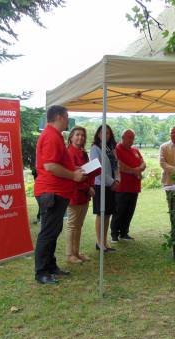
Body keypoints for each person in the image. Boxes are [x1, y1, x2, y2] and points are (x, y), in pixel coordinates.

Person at [34, 106, 86, 284]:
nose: (68, 120)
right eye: (67, 117)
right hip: (51, 191)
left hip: (57, 191)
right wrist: (73, 175)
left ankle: (50, 266)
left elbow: (57, 163)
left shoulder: (55, 135)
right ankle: (41, 272)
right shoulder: (51, 136)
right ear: (59, 117)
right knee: (48, 233)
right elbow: (50, 166)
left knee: (54, 231)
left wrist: (74, 169)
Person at [65, 126, 95, 264]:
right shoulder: (69, 153)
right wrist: (87, 188)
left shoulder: (83, 153)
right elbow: (73, 176)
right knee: (72, 225)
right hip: (74, 193)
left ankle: (76, 252)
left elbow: (88, 171)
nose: (80, 137)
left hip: (84, 193)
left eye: (82, 135)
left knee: (79, 225)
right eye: (77, 134)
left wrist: (91, 186)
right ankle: (69, 254)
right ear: (71, 137)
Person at [111, 129, 146, 242]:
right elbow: (118, 165)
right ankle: (114, 234)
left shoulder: (135, 150)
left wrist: (139, 169)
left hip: (134, 187)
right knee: (119, 211)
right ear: (122, 137)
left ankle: (124, 233)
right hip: (122, 187)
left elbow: (143, 163)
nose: (131, 140)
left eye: (133, 138)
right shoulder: (116, 149)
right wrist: (134, 171)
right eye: (129, 137)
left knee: (129, 211)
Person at [90, 125, 120, 252]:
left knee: (107, 214)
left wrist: (117, 180)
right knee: (101, 214)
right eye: (102, 133)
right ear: (98, 134)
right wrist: (112, 182)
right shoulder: (95, 148)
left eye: (107, 133)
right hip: (100, 185)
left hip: (111, 185)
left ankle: (105, 242)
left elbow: (116, 165)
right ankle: (99, 242)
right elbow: (98, 170)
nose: (105, 135)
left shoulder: (110, 148)